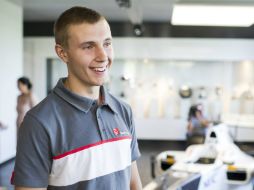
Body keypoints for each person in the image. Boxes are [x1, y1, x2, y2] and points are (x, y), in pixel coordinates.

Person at [12, 6, 142, 190]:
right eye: (89, 46)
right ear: (63, 53)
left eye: (106, 43)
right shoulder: (39, 123)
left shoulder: (123, 110)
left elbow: (134, 183)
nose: (103, 56)